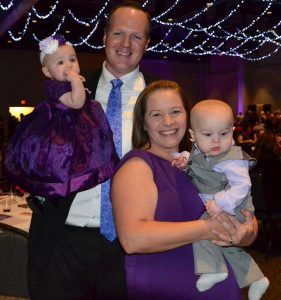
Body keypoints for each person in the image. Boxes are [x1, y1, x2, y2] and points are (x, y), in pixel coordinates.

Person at [21, 2, 155, 299]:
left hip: (130, 245)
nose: (125, 44)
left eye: (136, 36)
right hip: (63, 238)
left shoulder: (161, 98)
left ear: (146, 43)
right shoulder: (67, 87)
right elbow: (36, 146)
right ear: (104, 36)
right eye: (118, 33)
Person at [111, 80, 259, 300]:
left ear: (187, 118)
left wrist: (246, 234)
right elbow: (133, 239)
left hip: (220, 288)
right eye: (156, 114)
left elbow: (244, 216)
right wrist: (207, 228)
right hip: (168, 287)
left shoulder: (200, 161)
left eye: (175, 111)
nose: (168, 121)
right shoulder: (138, 165)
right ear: (143, 123)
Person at [173, 100, 269, 300]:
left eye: (224, 134)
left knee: (203, 231)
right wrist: (183, 159)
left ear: (232, 131)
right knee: (226, 245)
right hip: (225, 207)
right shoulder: (201, 151)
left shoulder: (231, 158)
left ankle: (214, 269)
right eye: (208, 135)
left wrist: (220, 202)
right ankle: (257, 279)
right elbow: (196, 161)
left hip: (233, 206)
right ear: (193, 136)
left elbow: (243, 185)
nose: (216, 141)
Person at [4, 34, 118, 198]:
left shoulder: (68, 82)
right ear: (47, 72)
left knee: (91, 148)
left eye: (72, 59)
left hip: (78, 123)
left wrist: (77, 84)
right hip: (60, 127)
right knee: (64, 156)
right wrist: (76, 82)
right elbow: (77, 102)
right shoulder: (55, 86)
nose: (69, 66)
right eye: (61, 62)